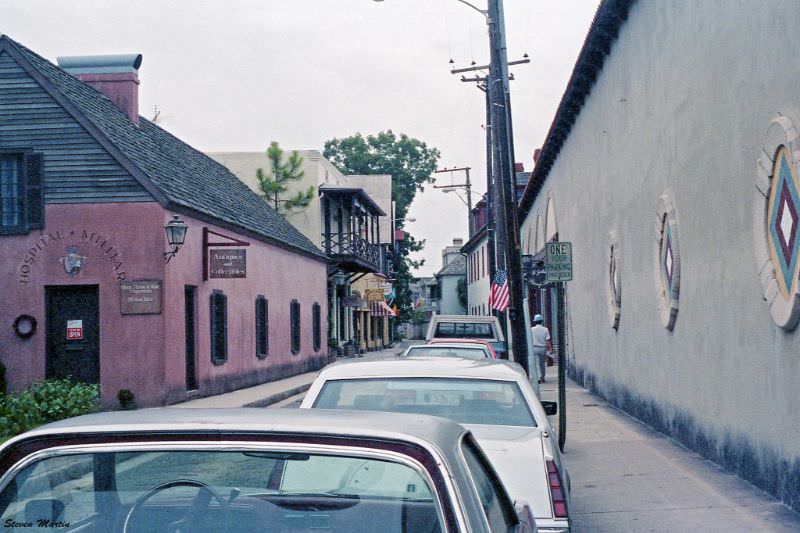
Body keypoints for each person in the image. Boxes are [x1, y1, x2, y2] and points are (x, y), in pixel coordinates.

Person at [530, 314, 553, 383]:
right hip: (543, 348)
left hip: (534, 348)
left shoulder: (532, 329)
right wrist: (550, 348)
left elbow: (530, 339)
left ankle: (537, 377)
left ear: (535, 321)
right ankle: (542, 377)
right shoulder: (545, 329)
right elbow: (547, 340)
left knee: (536, 363)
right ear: (541, 321)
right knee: (542, 363)